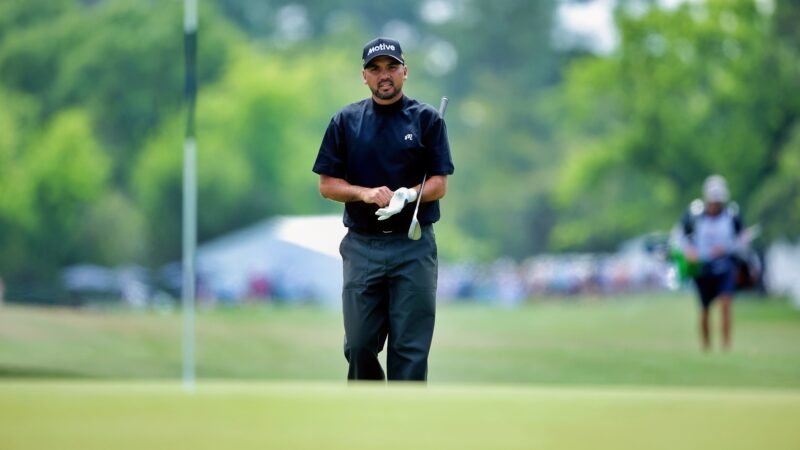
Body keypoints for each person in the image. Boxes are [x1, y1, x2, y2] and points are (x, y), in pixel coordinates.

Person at [312, 37, 454, 381]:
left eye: (392, 67)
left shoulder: (427, 120)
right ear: (364, 76)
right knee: (359, 343)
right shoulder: (345, 121)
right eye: (375, 69)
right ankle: (367, 406)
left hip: (413, 245)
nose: (384, 75)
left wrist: (408, 194)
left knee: (410, 348)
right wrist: (364, 194)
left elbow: (439, 183)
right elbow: (327, 185)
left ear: (405, 71)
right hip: (363, 245)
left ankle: (405, 413)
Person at [679, 175, 745, 351]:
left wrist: (727, 248)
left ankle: (726, 345)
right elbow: (680, 237)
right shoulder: (694, 216)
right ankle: (706, 346)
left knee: (726, 304)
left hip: (724, 265)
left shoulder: (732, 216)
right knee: (705, 308)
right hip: (703, 267)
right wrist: (689, 252)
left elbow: (741, 239)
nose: (715, 205)